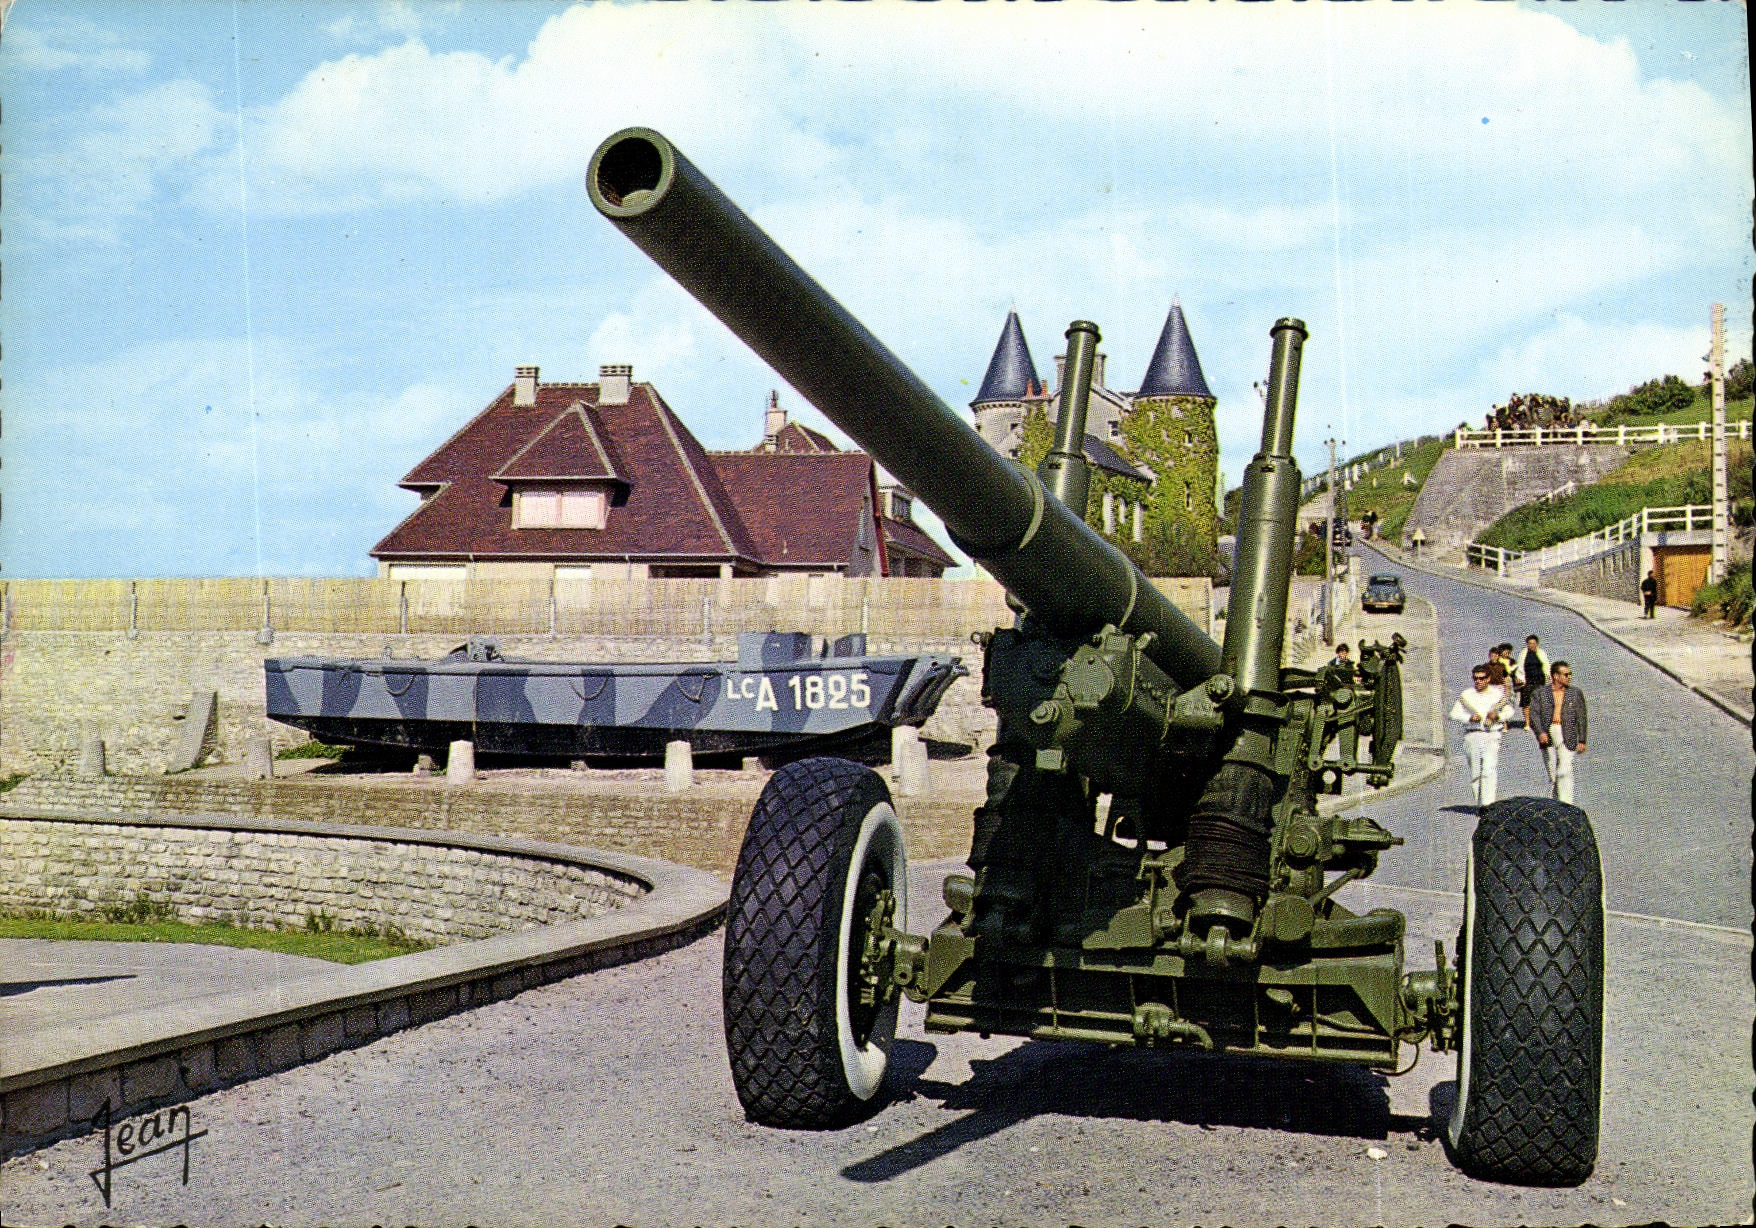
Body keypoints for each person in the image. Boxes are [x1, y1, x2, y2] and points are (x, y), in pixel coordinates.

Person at [1451, 662, 1512, 808]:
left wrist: (1497, 717)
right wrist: (1469, 718)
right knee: (1476, 772)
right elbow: (1454, 713)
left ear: (1488, 678)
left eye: (1482, 678)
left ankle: (1488, 805)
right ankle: (1480, 804)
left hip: (1491, 735)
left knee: (1489, 769)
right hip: (1472, 735)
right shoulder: (1466, 695)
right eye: (1476, 678)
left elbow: (1509, 711)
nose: (1478, 681)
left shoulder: (1497, 695)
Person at [1524, 661, 1587, 805]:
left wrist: (1582, 740)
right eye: (1566, 674)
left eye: (1570, 674)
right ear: (1556, 676)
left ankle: (1567, 805)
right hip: (1548, 733)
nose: (1569, 677)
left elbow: (1581, 717)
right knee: (1553, 774)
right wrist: (1540, 733)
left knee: (1564, 770)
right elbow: (1534, 715)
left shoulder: (1575, 693)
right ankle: (1556, 805)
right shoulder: (1540, 693)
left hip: (1567, 734)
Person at [1512, 634, 1550, 711]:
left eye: (1533, 643)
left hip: (1539, 681)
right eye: (1530, 643)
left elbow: (1546, 666)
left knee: (1539, 703)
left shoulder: (1541, 653)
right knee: (1526, 703)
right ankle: (1527, 722)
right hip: (1527, 681)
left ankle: (1537, 721)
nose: (1532, 645)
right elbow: (1519, 667)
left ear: (1537, 644)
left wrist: (1548, 677)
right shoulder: (1523, 654)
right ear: (1527, 644)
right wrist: (1519, 678)